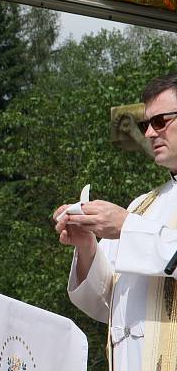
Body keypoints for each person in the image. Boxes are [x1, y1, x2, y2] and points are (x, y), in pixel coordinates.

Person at [54, 72, 177, 371]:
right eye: (145, 125)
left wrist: (126, 227)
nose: (148, 134)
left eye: (160, 121)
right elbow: (106, 304)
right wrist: (87, 247)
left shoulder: (132, 219)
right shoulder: (143, 206)